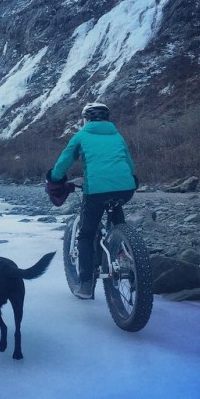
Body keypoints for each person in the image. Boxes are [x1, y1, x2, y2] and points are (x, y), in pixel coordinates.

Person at [47, 102, 137, 298]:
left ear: (85, 119)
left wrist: (54, 178)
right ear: (106, 119)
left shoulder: (81, 136)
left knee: (86, 235)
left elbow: (64, 161)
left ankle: (86, 285)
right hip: (126, 188)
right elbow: (130, 164)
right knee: (116, 215)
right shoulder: (117, 135)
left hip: (96, 191)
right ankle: (124, 252)